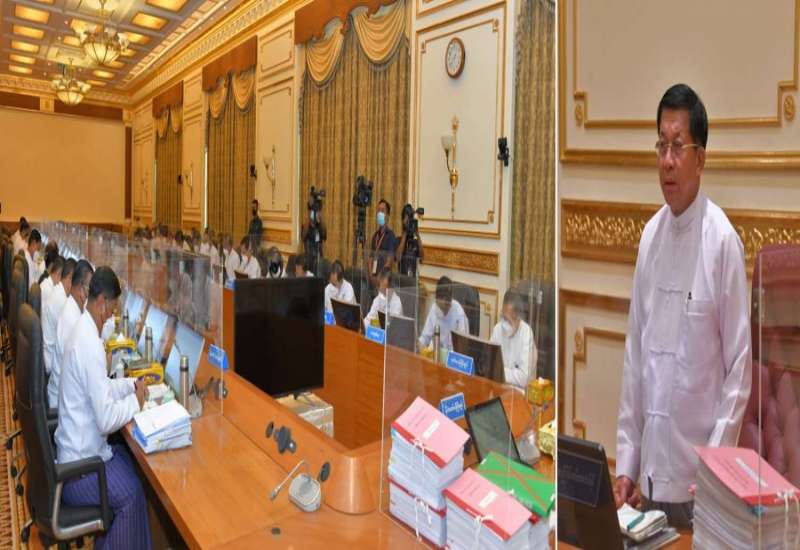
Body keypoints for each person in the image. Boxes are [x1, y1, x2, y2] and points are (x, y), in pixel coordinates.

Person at [615, 84, 751, 529]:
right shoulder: (649, 238)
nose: (667, 161)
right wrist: (627, 462)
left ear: (701, 158)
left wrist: (715, 468)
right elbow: (635, 357)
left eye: (678, 146)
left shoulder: (722, 241)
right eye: (661, 146)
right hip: (649, 481)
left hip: (700, 487)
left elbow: (739, 370)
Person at [55, 266, 151, 550]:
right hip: (79, 473)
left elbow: (99, 388)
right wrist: (136, 402)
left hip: (79, 457)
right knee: (132, 494)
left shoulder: (84, 332)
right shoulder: (89, 344)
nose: (112, 315)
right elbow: (106, 419)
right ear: (101, 302)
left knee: (131, 467)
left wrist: (129, 386)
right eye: (112, 308)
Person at [50, 260, 94, 410]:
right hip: (62, 403)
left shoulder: (71, 307)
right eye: (90, 290)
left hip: (63, 392)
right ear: (82, 290)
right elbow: (84, 375)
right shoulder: (72, 320)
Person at [490, 290, 537, 390]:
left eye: (508, 320)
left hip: (520, 393)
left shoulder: (527, 334)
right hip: (499, 388)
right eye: (502, 317)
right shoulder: (497, 329)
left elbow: (524, 378)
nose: (504, 324)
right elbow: (490, 363)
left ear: (518, 318)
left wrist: (500, 371)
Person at [419, 276, 469, 352]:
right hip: (437, 353)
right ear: (436, 299)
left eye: (446, 306)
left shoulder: (458, 311)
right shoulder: (434, 308)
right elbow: (425, 338)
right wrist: (419, 348)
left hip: (453, 355)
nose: (444, 312)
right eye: (441, 308)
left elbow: (462, 346)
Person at [42, 258, 74, 378]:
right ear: (69, 278)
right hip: (50, 363)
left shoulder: (57, 291)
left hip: (47, 353)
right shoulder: (61, 300)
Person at [368, 199, 398, 284]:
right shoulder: (375, 235)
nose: (379, 213)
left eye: (382, 211)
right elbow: (370, 259)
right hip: (373, 279)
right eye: (378, 211)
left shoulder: (391, 236)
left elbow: (389, 262)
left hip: (384, 281)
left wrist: (379, 278)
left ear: (387, 215)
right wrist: (371, 276)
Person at [397, 204, 425, 277]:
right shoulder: (398, 240)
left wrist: (417, 234)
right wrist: (405, 231)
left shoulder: (415, 242)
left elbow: (422, 259)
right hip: (401, 279)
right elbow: (398, 258)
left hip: (412, 280)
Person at [302, 208, 327, 276]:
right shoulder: (306, 226)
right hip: (308, 259)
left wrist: (321, 219)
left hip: (319, 258)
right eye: (312, 212)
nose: (314, 214)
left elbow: (324, 236)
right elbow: (303, 237)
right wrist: (308, 220)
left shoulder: (320, 226)